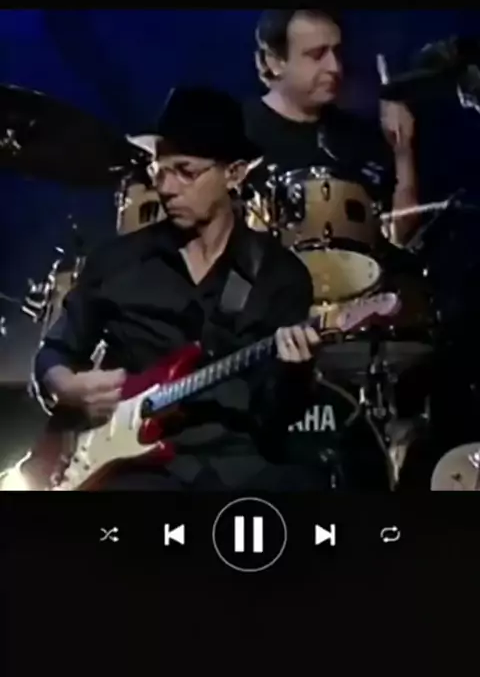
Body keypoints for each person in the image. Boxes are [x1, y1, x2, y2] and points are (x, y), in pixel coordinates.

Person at [32, 86, 325, 492]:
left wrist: (296, 372)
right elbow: (54, 352)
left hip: (238, 463)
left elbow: (277, 413)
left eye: (185, 171)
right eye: (159, 170)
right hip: (129, 467)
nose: (166, 188)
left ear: (235, 173)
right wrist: (67, 387)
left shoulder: (280, 275)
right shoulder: (118, 261)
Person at [243, 8, 420, 244]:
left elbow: (399, 234)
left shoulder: (358, 136)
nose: (334, 67)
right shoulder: (237, 131)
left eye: (336, 52)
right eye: (317, 55)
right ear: (274, 62)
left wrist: (403, 149)